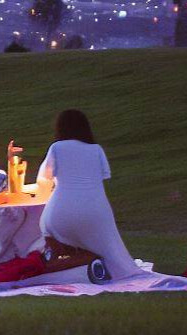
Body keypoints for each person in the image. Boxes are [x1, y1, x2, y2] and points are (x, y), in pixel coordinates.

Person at [37, 109, 140, 279]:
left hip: (61, 215)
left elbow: (43, 179)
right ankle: (90, 258)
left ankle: (57, 263)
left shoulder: (57, 148)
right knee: (99, 245)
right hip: (97, 215)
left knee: (45, 227)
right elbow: (101, 176)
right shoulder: (97, 150)